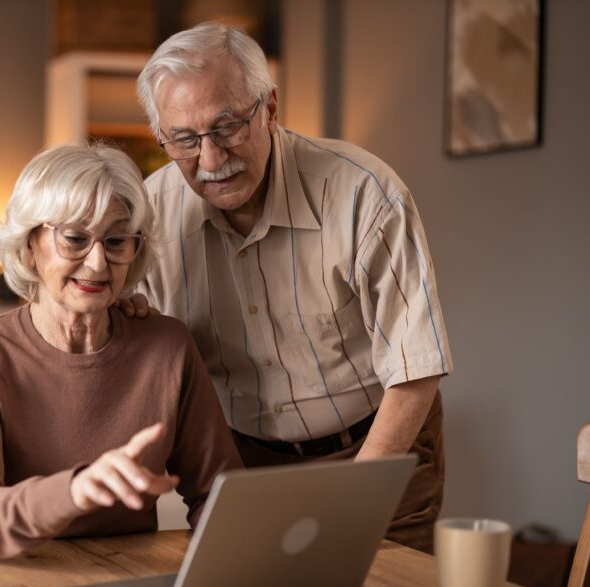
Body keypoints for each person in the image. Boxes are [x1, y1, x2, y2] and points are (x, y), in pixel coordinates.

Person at [132, 22, 453, 553]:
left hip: (376, 445)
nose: (210, 160)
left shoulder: (363, 193)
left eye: (227, 127)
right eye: (184, 140)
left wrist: (355, 501)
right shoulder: (149, 218)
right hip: (244, 463)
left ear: (270, 109)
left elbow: (416, 366)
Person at [0, 143, 242, 559]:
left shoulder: (167, 346)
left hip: (129, 578)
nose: (99, 263)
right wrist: (75, 491)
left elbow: (218, 496)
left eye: (116, 241)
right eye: (75, 238)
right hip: (20, 578)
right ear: (29, 244)